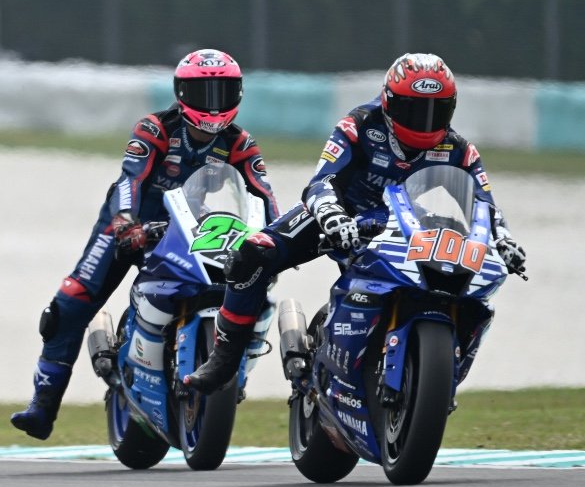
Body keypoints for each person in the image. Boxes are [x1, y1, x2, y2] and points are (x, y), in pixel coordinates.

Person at [184, 53, 527, 393]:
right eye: (413, 110)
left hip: (406, 227)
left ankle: (433, 366)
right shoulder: (359, 125)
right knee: (252, 254)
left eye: (435, 111)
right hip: (341, 214)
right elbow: (322, 181)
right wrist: (332, 214)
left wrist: (503, 239)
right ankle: (224, 359)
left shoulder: (459, 149)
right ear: (389, 102)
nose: (424, 122)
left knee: (457, 282)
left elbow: (484, 204)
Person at [11, 48, 277, 440]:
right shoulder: (155, 129)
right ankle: (43, 405)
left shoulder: (240, 142)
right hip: (131, 226)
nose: (213, 104)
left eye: (222, 92)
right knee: (69, 303)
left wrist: (275, 238)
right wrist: (125, 220)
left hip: (191, 226)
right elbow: (130, 179)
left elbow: (263, 195)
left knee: (248, 289)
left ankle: (231, 376)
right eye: (203, 93)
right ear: (181, 93)